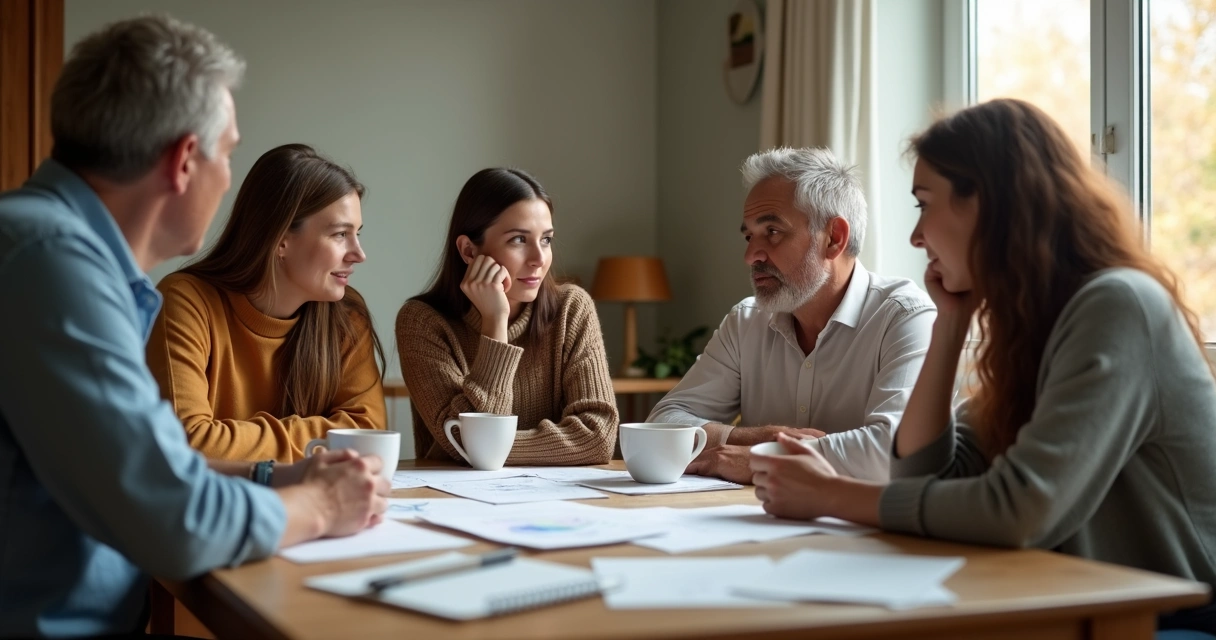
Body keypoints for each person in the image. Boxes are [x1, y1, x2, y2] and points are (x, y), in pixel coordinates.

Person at [751, 99, 1216, 637]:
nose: (916, 236)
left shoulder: (1117, 305)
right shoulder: (1037, 321)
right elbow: (924, 477)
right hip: (1084, 598)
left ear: (989, 206)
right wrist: (951, 325)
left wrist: (832, 494)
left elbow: (1020, 509)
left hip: (1174, 618)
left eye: (925, 204)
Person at [0, 16, 387, 638]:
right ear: (184, 160)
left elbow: (159, 465)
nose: (230, 177)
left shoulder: (45, 248)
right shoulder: (53, 264)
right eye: (228, 153)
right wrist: (320, 503)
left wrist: (275, 473)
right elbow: (178, 521)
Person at [650, 147, 935, 483]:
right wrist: (757, 437)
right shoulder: (746, 321)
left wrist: (759, 459)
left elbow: (896, 451)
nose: (751, 255)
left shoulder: (906, 318)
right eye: (748, 236)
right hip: (751, 516)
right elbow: (661, 422)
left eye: (772, 232)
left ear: (834, 238)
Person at [148, 143, 387, 462]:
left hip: (312, 508)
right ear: (281, 240)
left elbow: (369, 433)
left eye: (357, 233)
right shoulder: (187, 301)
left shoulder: (346, 316)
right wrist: (323, 440)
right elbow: (189, 443)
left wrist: (229, 440)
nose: (359, 254)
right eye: (340, 235)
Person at [396, 168, 617, 465]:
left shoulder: (572, 308)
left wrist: (490, 449)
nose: (539, 259)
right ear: (468, 250)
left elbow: (599, 438)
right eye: (518, 240)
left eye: (546, 240)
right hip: (455, 500)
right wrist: (495, 322)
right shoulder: (422, 322)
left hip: (556, 500)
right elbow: (462, 442)